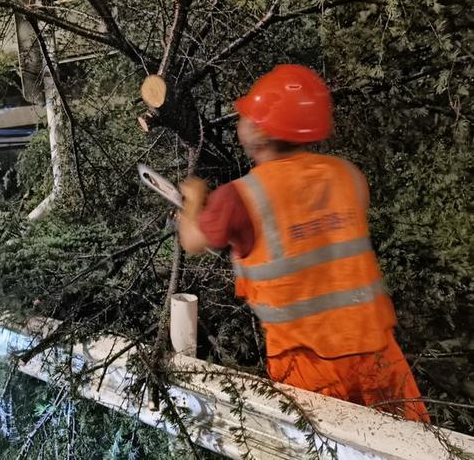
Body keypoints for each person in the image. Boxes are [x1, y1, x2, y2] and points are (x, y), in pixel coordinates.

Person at [177, 64, 430, 422]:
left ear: (261, 129)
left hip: (308, 365)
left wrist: (193, 198)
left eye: (247, 115)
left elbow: (191, 240)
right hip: (379, 354)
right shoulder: (348, 176)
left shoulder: (240, 197)